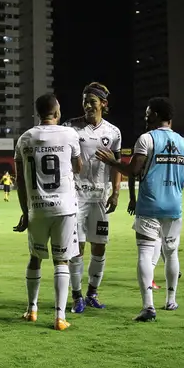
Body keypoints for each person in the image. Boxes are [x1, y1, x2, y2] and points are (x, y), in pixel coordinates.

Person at [98, 98, 184, 321]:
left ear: (155, 114)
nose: (145, 117)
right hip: (174, 207)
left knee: (145, 254)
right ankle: (171, 300)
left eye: (148, 113)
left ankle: (148, 306)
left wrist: (111, 161)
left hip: (150, 206)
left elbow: (132, 171)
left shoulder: (146, 139)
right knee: (171, 253)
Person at [13, 93, 82, 331]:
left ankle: (32, 310)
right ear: (57, 111)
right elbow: (78, 167)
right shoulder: (70, 134)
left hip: (37, 208)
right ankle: (59, 317)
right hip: (64, 207)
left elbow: (19, 180)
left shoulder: (25, 138)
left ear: (38, 113)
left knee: (35, 258)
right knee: (61, 260)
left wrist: (25, 211)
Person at [62, 82, 122, 313]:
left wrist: (115, 193)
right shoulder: (71, 128)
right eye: (85, 101)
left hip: (99, 198)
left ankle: (92, 293)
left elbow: (116, 165)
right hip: (75, 197)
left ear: (103, 104)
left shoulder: (113, 132)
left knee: (100, 246)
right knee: (77, 247)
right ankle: (76, 296)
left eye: (92, 101)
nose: (87, 105)